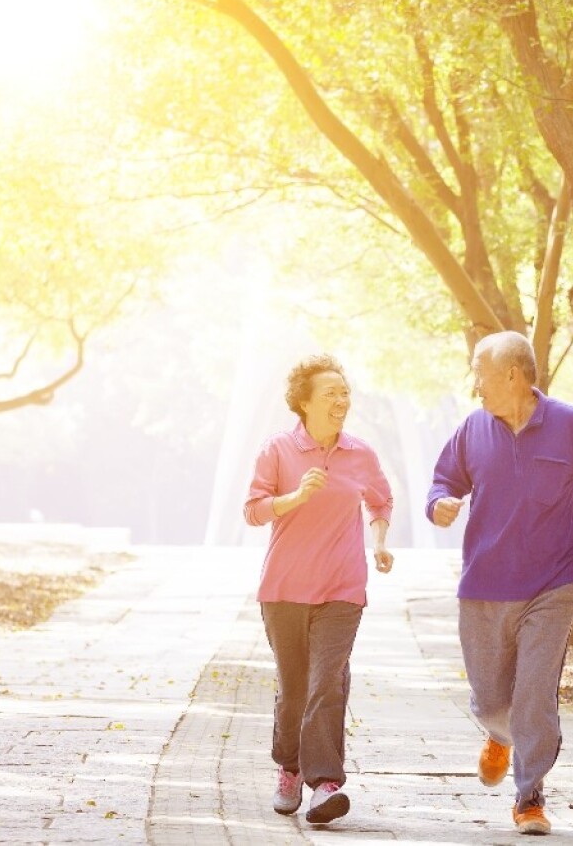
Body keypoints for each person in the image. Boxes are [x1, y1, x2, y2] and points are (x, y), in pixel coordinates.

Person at [426, 331, 573, 836]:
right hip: (484, 585)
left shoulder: (570, 425)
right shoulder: (473, 429)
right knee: (491, 699)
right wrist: (440, 504)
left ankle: (529, 794)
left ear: (512, 374)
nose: (476, 387)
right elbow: (444, 481)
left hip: (551, 584)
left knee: (534, 693)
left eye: (481, 375)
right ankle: (500, 733)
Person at [243, 353, 394, 825]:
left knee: (327, 683)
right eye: (330, 393)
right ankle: (289, 767)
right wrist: (295, 497)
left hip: (342, 589)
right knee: (294, 690)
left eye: (345, 393)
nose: (341, 401)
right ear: (303, 403)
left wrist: (380, 543)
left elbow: (381, 501)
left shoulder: (361, 454)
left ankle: (325, 784)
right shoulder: (277, 450)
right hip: (284, 588)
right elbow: (253, 509)